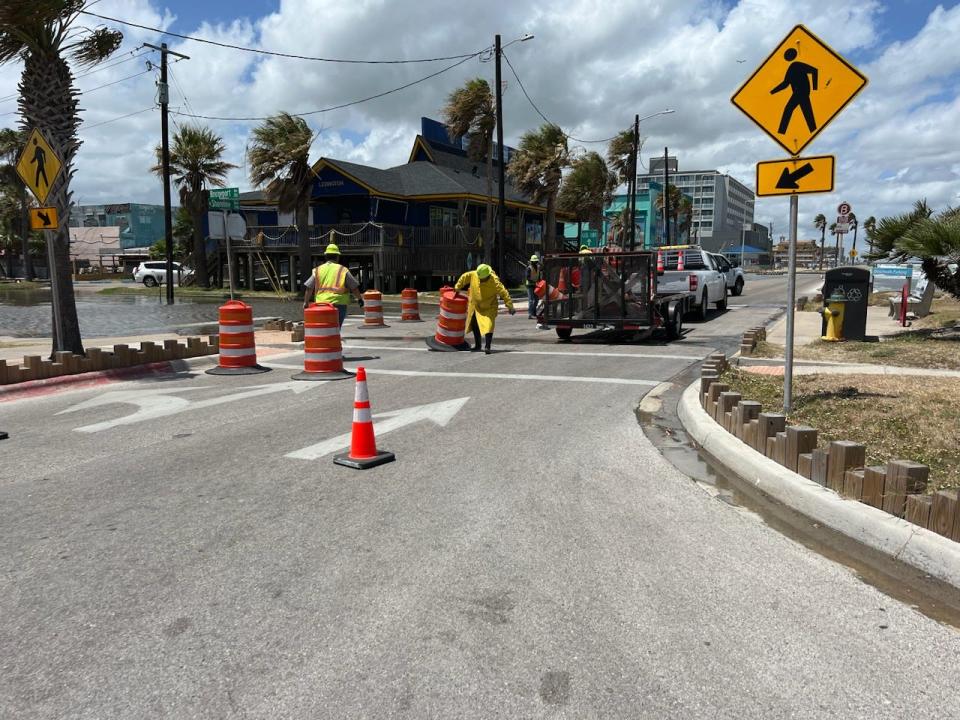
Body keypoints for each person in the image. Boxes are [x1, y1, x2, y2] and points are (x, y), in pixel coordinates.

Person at [454, 263, 515, 354]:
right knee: (474, 324)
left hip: (489, 307)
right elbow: (464, 277)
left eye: (483, 279)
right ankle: (478, 345)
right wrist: (457, 287)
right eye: (480, 279)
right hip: (476, 305)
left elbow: (504, 293)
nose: (481, 280)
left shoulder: (495, 281)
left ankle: (487, 346)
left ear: (488, 276)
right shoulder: (474, 274)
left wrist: (510, 306)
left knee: (489, 325)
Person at [302, 242, 364, 327]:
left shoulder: (317, 270)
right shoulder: (343, 270)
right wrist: (360, 300)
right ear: (337, 257)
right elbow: (354, 287)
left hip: (321, 304)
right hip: (339, 304)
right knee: (335, 330)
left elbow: (309, 288)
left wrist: (306, 303)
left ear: (326, 256)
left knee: (324, 329)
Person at [524, 254, 541, 319]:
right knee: (531, 300)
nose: (535, 262)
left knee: (536, 300)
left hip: (536, 285)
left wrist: (540, 282)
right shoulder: (529, 268)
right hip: (529, 285)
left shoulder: (538, 267)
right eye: (534, 261)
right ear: (531, 261)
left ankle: (534, 312)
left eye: (536, 261)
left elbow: (538, 277)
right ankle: (530, 314)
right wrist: (535, 282)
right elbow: (527, 277)